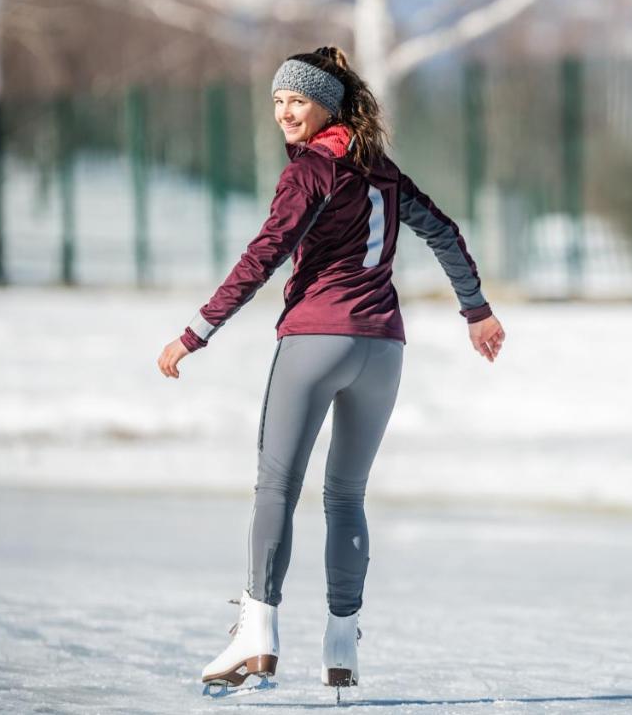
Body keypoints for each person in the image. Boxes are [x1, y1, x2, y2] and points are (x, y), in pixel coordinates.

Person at [155, 46, 504, 695]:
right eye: (278, 102)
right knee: (346, 496)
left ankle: (257, 631)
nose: (285, 113)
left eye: (297, 101)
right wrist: (476, 311)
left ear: (326, 106)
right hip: (384, 350)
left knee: (276, 488)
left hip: (317, 339)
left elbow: (266, 252)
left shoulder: (313, 169)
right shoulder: (382, 170)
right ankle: (341, 648)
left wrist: (196, 331)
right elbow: (447, 233)